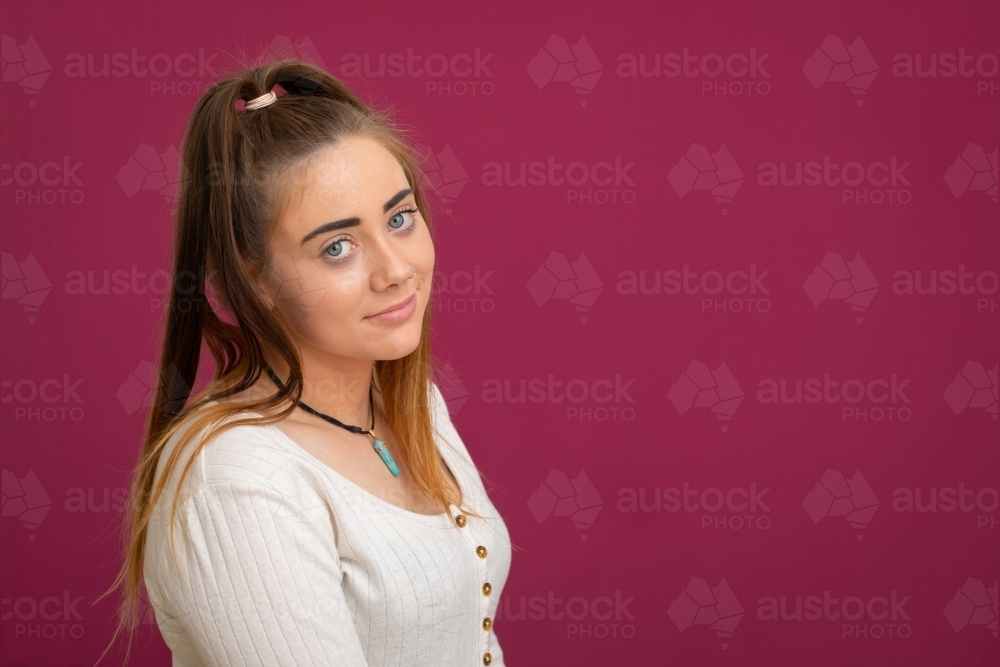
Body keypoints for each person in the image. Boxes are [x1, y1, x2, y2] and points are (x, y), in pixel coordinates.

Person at [94, 58, 512, 667]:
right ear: (253, 278)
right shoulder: (237, 483)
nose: (396, 270)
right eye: (337, 248)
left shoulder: (409, 402)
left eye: (400, 219)